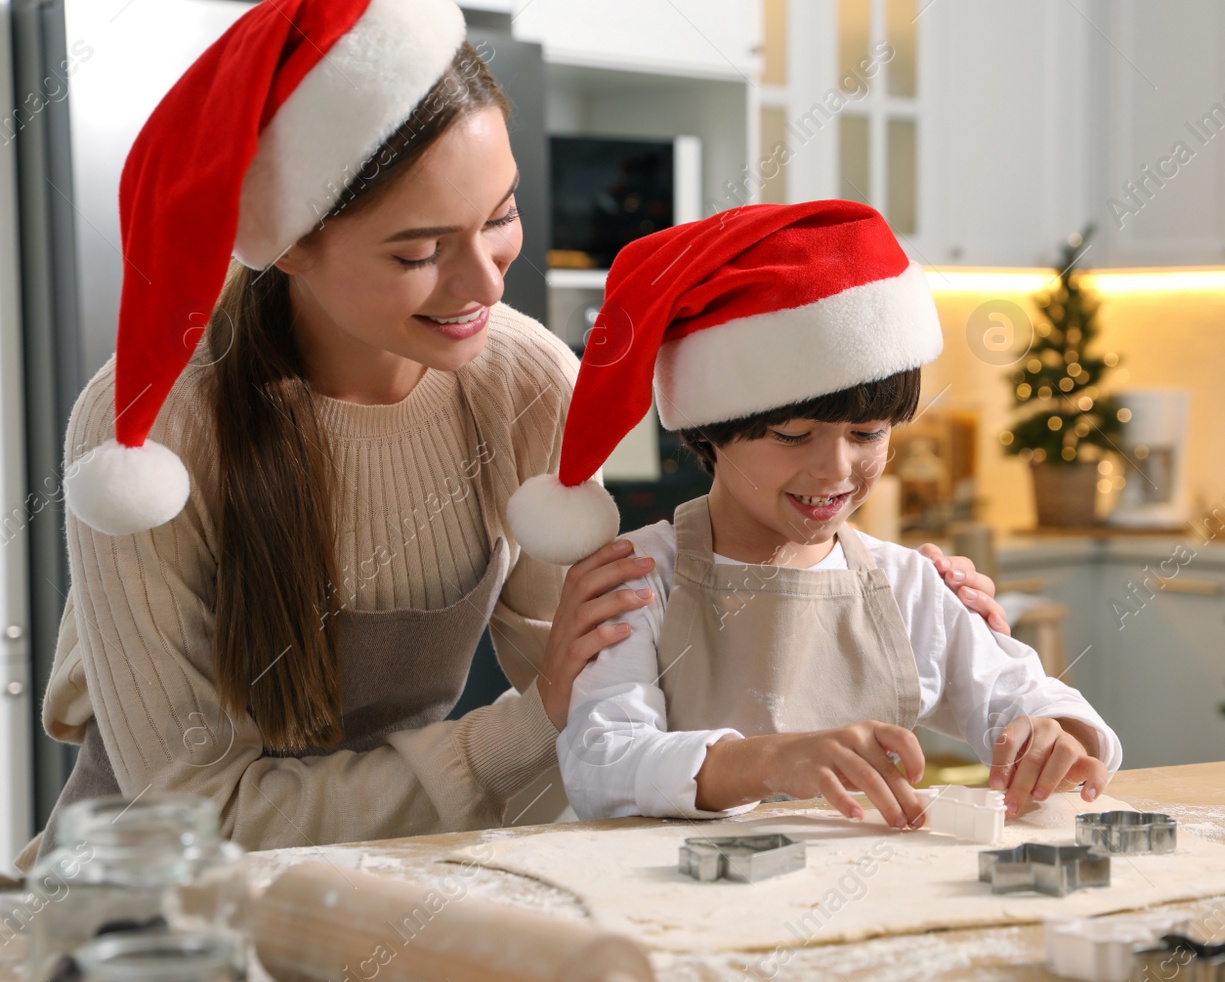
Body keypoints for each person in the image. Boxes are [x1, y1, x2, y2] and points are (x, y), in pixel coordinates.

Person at [15, 1, 1002, 869]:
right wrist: (526, 729)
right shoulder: (148, 439)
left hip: (396, 874)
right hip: (143, 912)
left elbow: (613, 717)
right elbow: (197, 817)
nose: (485, 282)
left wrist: (881, 602)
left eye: (500, 217)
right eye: (418, 250)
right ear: (292, 242)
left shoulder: (523, 386)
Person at [516, 201, 1122, 826]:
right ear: (710, 430)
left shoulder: (907, 585)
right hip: (673, 912)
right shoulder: (642, 578)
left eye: (867, 433)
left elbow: (1026, 695)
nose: (835, 470)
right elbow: (602, 765)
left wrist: (1057, 734)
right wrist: (772, 761)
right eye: (791, 434)